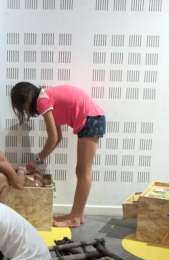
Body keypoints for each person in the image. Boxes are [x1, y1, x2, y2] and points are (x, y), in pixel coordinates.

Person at [11, 82, 106, 227]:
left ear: (25, 100)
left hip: (92, 119)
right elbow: (58, 137)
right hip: (92, 118)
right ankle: (77, 215)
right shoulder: (46, 98)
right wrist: (38, 160)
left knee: (83, 171)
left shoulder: (43, 101)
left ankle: (75, 217)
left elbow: (53, 137)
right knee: (81, 171)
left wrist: (37, 160)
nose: (24, 111)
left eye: (21, 107)